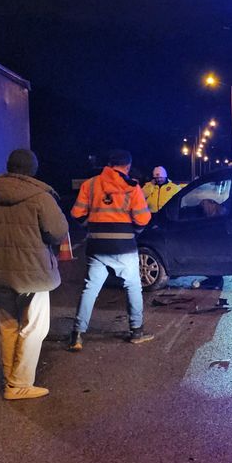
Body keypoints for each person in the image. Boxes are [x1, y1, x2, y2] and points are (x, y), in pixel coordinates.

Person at [0, 149, 69, 400]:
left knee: (8, 326)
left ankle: (10, 379)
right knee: (34, 326)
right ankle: (20, 383)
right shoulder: (40, 197)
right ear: (32, 170)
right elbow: (58, 231)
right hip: (33, 272)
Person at [69, 149, 153, 350]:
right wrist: (134, 232)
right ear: (127, 166)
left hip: (97, 246)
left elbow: (76, 213)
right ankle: (136, 331)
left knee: (90, 288)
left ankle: (77, 335)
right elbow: (143, 219)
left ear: (108, 164)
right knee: (133, 286)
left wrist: (91, 227)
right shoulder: (132, 187)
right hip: (124, 247)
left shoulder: (90, 185)